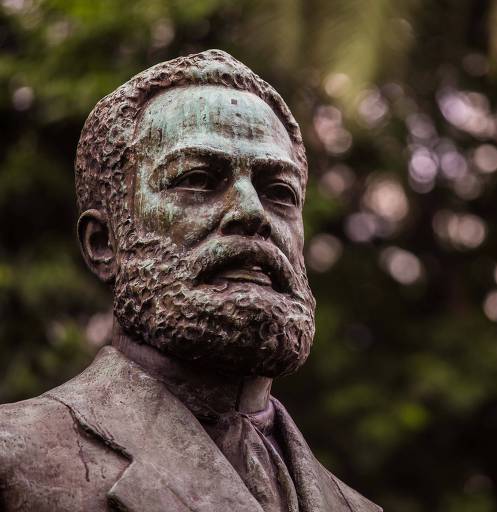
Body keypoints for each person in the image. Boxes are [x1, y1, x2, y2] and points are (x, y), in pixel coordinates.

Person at [0, 49, 381, 512]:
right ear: (104, 243)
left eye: (278, 192)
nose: (252, 213)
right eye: (198, 179)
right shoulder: (14, 460)